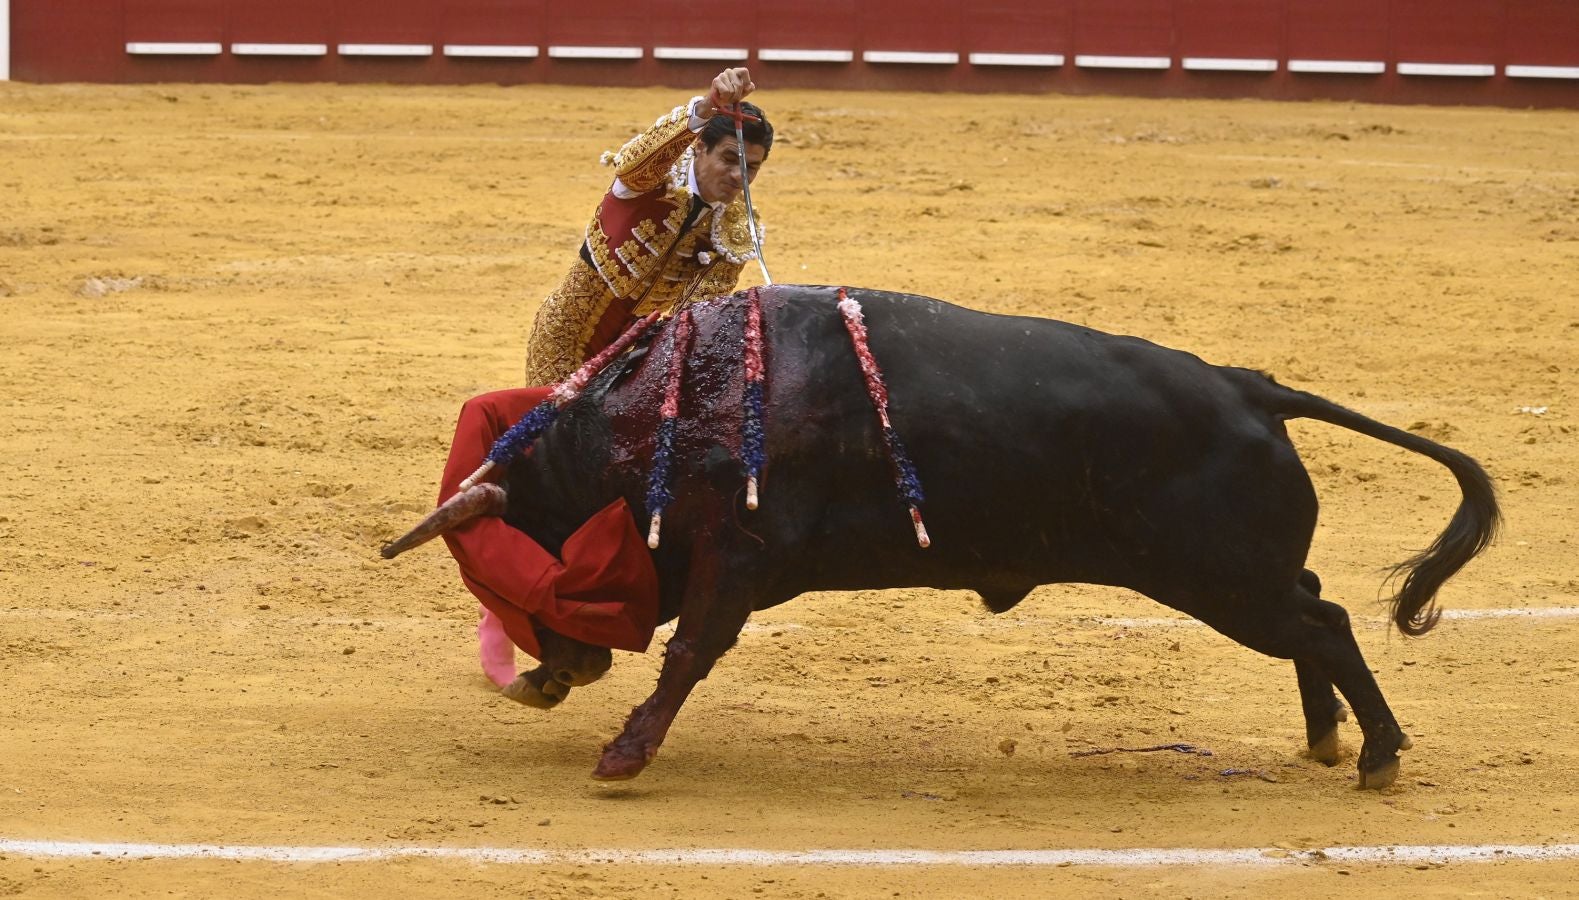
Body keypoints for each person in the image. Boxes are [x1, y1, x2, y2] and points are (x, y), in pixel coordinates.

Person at [523, 67, 774, 385]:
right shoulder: (652, 178)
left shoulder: (735, 229)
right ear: (699, 147)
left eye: (751, 167)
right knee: (552, 416)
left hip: (631, 362)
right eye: (729, 159)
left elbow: (696, 313)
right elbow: (633, 162)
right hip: (565, 339)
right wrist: (706, 107)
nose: (740, 176)